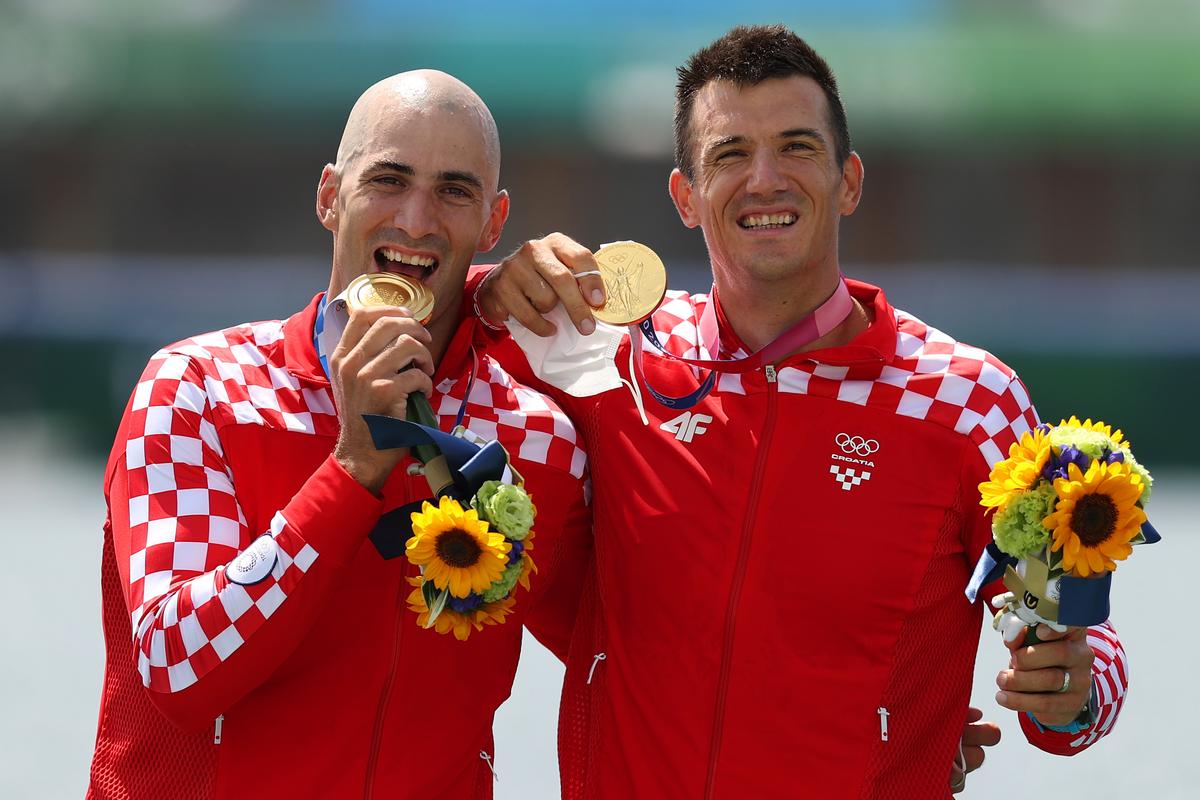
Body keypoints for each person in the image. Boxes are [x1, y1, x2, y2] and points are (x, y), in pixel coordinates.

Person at [475, 25, 1128, 798]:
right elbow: (411, 346)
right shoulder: (607, 360)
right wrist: (489, 288)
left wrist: (1072, 691)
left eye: (797, 147)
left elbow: (1082, 657)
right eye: (729, 155)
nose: (765, 180)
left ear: (849, 180)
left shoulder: (966, 400)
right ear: (686, 197)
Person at [87, 70, 590, 799]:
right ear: (330, 195)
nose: (416, 221)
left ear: (493, 222)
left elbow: (638, 666)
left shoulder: (537, 435)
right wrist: (352, 469)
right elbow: (180, 664)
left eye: (454, 191)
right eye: (389, 179)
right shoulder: (196, 386)